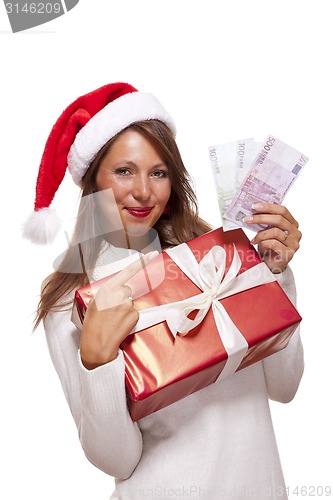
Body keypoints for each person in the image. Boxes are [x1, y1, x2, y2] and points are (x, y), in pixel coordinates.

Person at [24, 83, 304, 499]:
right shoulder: (70, 303)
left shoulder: (216, 258)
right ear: (92, 182)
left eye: (158, 172)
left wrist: (276, 277)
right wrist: (98, 360)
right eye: (123, 171)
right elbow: (118, 461)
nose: (143, 191)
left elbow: (285, 387)